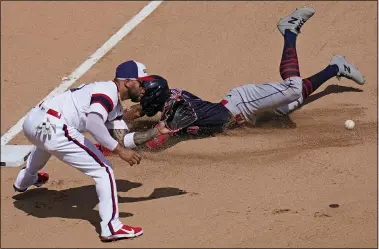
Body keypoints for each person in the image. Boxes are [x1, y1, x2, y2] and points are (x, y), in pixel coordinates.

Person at [125, 7, 365, 150]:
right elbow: (140, 109)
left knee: (292, 89)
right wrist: (119, 118)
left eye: (145, 92)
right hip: (241, 114)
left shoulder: (178, 114)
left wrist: (113, 147)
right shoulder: (167, 98)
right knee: (290, 104)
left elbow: (152, 141)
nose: (142, 94)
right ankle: (335, 67)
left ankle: (289, 29)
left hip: (242, 102)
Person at [13, 60, 171, 242]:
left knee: (45, 144)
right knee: (103, 170)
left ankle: (24, 179)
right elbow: (94, 123)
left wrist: (156, 131)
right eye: (140, 82)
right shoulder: (107, 93)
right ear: (127, 81)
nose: (144, 87)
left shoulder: (112, 103)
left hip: (33, 123)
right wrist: (119, 151)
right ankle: (111, 226)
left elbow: (122, 139)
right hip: (54, 127)